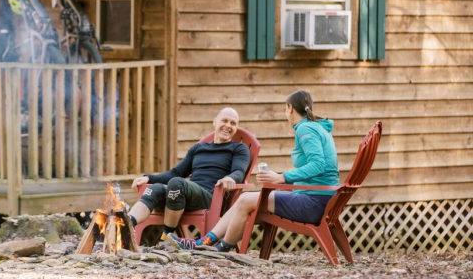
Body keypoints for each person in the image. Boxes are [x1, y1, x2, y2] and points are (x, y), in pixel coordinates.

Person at [169, 90, 339, 251]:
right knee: (245, 204)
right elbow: (317, 167)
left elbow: (318, 165)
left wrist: (282, 177)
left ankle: (219, 247)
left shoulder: (305, 128)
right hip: (317, 197)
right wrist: (281, 179)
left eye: (285, 109)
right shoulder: (316, 127)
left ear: (290, 109)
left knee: (244, 201)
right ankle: (204, 243)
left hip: (313, 202)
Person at [128, 107, 250, 242]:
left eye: (233, 123)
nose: (228, 126)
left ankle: (165, 237)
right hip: (185, 193)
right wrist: (148, 178)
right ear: (215, 122)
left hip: (210, 196)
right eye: (224, 121)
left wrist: (230, 178)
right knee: (154, 188)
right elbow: (176, 172)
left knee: (176, 183)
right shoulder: (198, 148)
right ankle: (127, 223)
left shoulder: (239, 149)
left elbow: (239, 171)